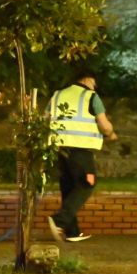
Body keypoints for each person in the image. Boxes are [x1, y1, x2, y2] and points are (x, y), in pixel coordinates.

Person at [47, 68, 116, 243]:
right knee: (87, 183)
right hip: (80, 149)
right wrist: (110, 133)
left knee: (69, 187)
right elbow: (104, 125)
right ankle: (59, 220)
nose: (94, 87)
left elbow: (45, 118)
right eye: (94, 83)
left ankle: (72, 232)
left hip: (59, 148)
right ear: (86, 79)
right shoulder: (91, 96)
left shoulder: (57, 95)